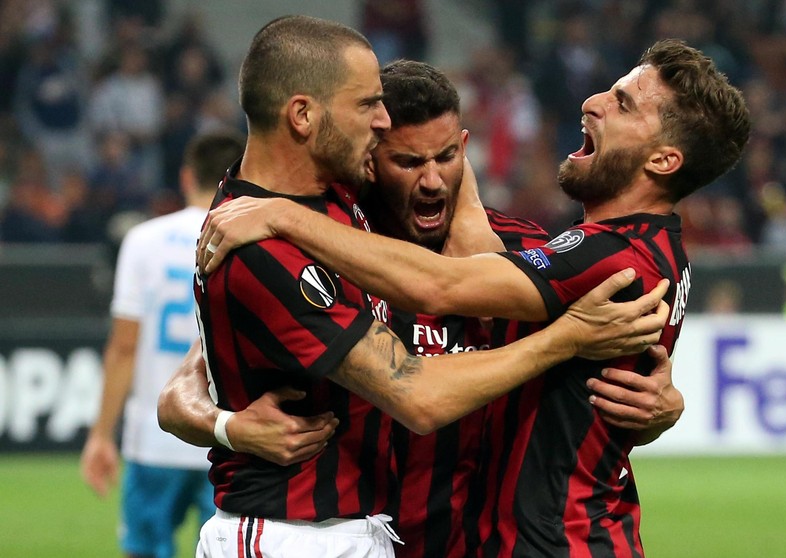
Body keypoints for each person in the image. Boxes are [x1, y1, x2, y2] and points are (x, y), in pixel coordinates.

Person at [197, 39, 751, 557]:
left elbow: (442, 287)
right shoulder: (333, 248)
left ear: (464, 150)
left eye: (445, 157)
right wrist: (223, 426)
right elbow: (194, 375)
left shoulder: (551, 258)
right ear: (372, 155)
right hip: (385, 537)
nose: (433, 181)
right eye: (409, 162)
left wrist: (280, 213)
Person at [79, 129, 245, 558]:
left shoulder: (143, 240)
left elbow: (124, 347)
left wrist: (101, 434)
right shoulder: (250, 240)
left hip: (155, 436)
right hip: (224, 436)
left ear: (187, 177)